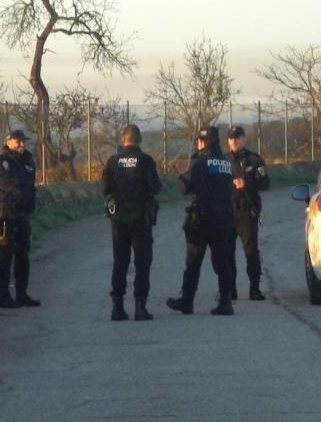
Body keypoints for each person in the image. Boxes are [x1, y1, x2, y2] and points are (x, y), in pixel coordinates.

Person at [166, 125, 236, 316]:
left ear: (203, 142)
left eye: (199, 140)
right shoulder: (226, 161)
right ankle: (225, 302)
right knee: (223, 262)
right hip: (224, 218)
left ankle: (187, 301)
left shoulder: (200, 162)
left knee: (193, 262)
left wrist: (183, 174)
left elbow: (183, 187)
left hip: (202, 218)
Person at [101, 124, 162, 321]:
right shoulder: (145, 161)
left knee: (120, 262)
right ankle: (140, 307)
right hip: (141, 219)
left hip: (119, 221)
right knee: (142, 263)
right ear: (140, 140)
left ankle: (117, 308)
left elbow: (104, 189)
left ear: (123, 139)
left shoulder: (113, 161)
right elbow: (155, 188)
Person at [0, 129, 40, 309]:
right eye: (18, 141)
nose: (22, 144)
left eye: (23, 141)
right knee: (5, 256)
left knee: (23, 255)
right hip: (5, 216)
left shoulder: (28, 162)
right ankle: (4, 296)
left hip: (23, 216)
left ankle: (22, 294)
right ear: (8, 142)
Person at [227, 125, 270, 300]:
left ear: (244, 138)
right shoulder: (222, 160)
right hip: (227, 211)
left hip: (247, 210)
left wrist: (246, 184)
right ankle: (229, 289)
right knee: (226, 252)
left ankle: (254, 288)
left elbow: (265, 183)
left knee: (251, 251)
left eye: (237, 137)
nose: (234, 141)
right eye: (231, 138)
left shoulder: (254, 160)